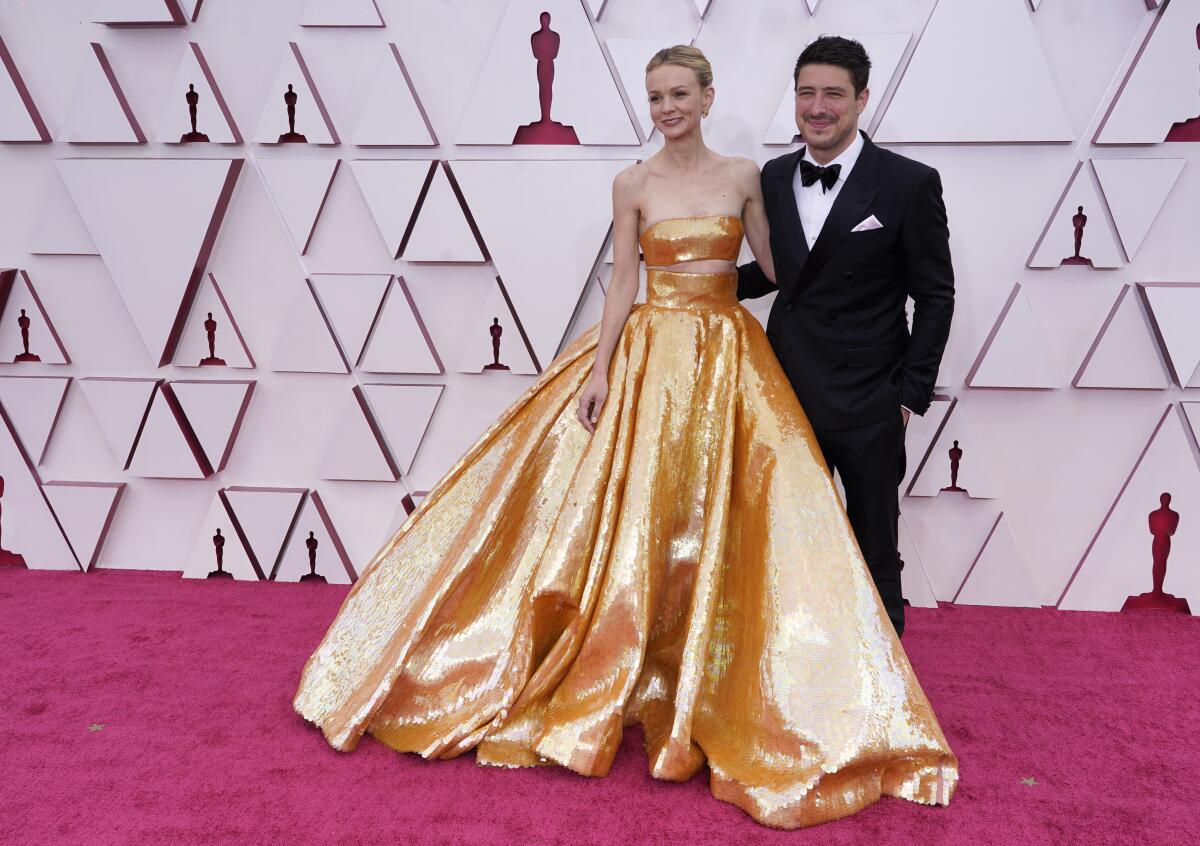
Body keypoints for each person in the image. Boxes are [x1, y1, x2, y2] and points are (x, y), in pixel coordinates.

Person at [294, 45, 957, 829]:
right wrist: (603, 365)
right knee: (657, 518)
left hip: (760, 365)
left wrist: (902, 388)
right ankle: (664, 672)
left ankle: (861, 691)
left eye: (681, 93)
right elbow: (624, 279)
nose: (668, 106)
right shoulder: (646, 181)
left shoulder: (758, 176)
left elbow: (789, 270)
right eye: (656, 96)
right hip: (670, 357)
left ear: (710, 98)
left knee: (810, 532)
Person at [737, 36, 955, 638]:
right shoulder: (775, 177)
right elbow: (784, 269)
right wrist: (703, 287)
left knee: (875, 548)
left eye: (833, 93)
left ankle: (883, 692)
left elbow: (935, 294)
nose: (817, 107)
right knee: (785, 542)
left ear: (861, 98)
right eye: (806, 93)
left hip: (870, 399)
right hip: (786, 391)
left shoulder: (909, 183)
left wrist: (909, 395)